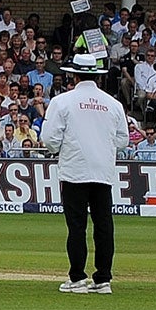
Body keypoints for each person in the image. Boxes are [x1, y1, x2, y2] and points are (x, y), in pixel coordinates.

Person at [42, 42, 127, 294]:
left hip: (74, 170)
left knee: (77, 226)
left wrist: (61, 150)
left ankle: (77, 278)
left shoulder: (62, 101)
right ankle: (103, 279)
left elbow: (49, 139)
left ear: (74, 75)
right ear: (96, 76)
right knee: (104, 225)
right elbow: (122, 140)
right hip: (102, 171)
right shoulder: (112, 104)